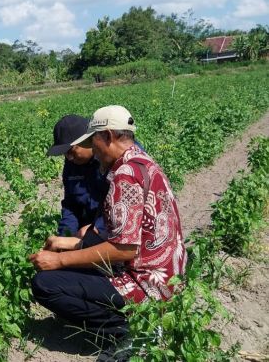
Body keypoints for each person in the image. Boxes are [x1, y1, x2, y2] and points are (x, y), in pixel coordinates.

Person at [30, 105, 187, 361]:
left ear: (109, 136)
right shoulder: (141, 162)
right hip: (168, 274)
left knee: (46, 284)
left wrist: (60, 259)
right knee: (72, 267)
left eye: (94, 139)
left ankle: (134, 330)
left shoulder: (124, 175)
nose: (93, 146)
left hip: (145, 282)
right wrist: (71, 242)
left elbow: (122, 249)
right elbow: (117, 229)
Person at [47, 114, 108, 245]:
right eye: (65, 153)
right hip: (86, 230)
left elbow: (124, 207)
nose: (69, 157)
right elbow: (71, 205)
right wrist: (65, 236)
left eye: (72, 150)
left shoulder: (110, 160)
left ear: (87, 140)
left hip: (113, 231)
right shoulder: (72, 165)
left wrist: (97, 227)